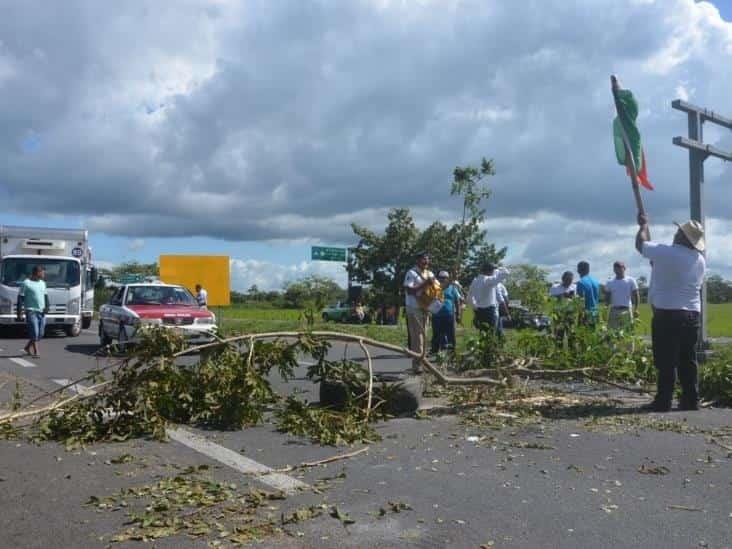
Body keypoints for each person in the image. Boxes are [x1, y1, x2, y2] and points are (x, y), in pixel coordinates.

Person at [636, 214, 706, 412]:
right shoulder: (699, 259)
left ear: (683, 237)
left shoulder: (667, 252)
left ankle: (663, 400)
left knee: (666, 359)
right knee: (687, 358)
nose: (675, 234)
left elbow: (640, 244)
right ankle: (691, 399)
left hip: (668, 313)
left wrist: (643, 225)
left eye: (678, 232)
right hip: (692, 314)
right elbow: (668, 269)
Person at [403, 252, 436, 373]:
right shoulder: (411, 273)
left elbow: (436, 290)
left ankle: (422, 361)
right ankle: (417, 365)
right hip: (414, 308)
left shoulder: (430, 274)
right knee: (417, 337)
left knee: (425, 336)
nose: (426, 262)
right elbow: (409, 290)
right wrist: (424, 284)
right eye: (423, 260)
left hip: (425, 308)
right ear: (418, 261)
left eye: (427, 259)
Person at [16, 266, 49, 359]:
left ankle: (27, 347)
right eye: (42, 272)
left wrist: (47, 307)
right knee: (35, 331)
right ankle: (36, 351)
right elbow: (20, 298)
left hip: (41, 312)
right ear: (37, 272)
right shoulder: (26, 283)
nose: (44, 274)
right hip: (31, 311)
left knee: (40, 334)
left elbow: (45, 296)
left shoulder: (43, 283)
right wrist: (19, 312)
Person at [468, 263, 509, 332]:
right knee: (491, 333)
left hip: (479, 310)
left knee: (483, 332)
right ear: (489, 271)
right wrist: (499, 268)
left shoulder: (475, 281)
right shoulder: (488, 280)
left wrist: (475, 306)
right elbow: (506, 273)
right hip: (490, 311)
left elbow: (469, 296)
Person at [431, 271, 461, 353]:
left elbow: (457, 301)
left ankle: (452, 351)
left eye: (444, 278)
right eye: (440, 277)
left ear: (447, 279)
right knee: (436, 334)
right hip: (436, 315)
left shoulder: (452, 288)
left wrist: (458, 314)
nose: (442, 279)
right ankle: (434, 350)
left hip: (449, 315)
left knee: (450, 334)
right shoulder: (434, 287)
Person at [604, 261, 639, 330]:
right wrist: (605, 310)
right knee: (612, 333)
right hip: (614, 310)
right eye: (616, 268)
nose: (618, 269)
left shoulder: (631, 280)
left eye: (620, 267)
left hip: (626, 310)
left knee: (628, 333)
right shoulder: (610, 282)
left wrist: (636, 309)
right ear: (614, 270)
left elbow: (636, 295)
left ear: (624, 268)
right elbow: (607, 298)